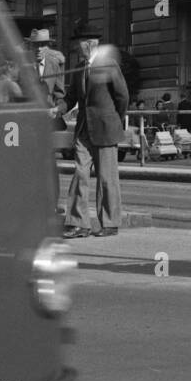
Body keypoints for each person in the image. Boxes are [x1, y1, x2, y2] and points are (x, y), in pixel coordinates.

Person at [63, 28, 129, 239]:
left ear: (90, 44)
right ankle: (78, 224)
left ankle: (109, 223)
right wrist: (58, 108)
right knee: (80, 174)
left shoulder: (108, 64)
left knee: (106, 178)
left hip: (105, 127)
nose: (75, 47)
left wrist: (115, 119)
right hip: (84, 128)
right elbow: (71, 97)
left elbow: (122, 96)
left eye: (79, 43)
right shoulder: (79, 67)